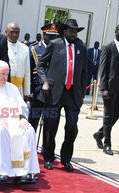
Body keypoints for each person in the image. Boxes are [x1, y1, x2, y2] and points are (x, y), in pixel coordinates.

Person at [37, 19, 87, 171]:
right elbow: (40, 65)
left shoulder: (81, 48)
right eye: (71, 30)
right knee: (50, 127)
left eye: (76, 30)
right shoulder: (55, 44)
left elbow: (85, 72)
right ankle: (48, 157)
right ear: (64, 31)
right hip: (53, 93)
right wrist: (44, 82)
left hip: (73, 95)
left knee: (72, 127)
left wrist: (82, 91)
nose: (73, 33)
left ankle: (66, 159)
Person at [93, 24, 119, 155]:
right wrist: (103, 88)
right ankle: (107, 144)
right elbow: (102, 69)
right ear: (116, 32)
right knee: (108, 116)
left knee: (116, 115)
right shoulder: (108, 48)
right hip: (109, 88)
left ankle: (99, 134)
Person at [28, 23, 59, 131]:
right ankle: (29, 146)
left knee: (49, 123)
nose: (52, 39)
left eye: (54, 37)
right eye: (50, 36)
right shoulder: (34, 49)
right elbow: (29, 72)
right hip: (37, 91)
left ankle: (45, 148)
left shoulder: (58, 50)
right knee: (33, 121)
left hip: (52, 92)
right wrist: (30, 91)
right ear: (43, 35)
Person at [5, 22, 30, 99]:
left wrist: (27, 92)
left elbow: (27, 72)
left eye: (17, 33)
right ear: (6, 32)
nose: (14, 35)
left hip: (18, 88)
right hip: (4, 86)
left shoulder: (24, 48)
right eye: (12, 32)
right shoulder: (1, 46)